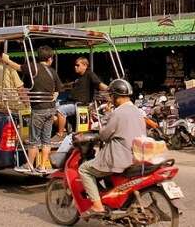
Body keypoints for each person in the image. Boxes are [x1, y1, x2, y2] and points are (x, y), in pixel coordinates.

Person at [79, 79, 146, 218]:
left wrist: (108, 114)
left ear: (116, 97)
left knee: (84, 169)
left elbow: (103, 135)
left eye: (111, 96)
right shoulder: (138, 112)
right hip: (136, 156)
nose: (110, 99)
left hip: (119, 158)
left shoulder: (118, 113)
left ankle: (97, 206)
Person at [7, 46, 62, 173]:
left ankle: (29, 164)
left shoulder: (34, 67)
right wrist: (51, 99)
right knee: (46, 139)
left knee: (34, 140)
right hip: (51, 109)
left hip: (38, 109)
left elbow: (18, 67)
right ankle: (43, 166)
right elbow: (58, 90)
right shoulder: (52, 71)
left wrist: (7, 60)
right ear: (49, 59)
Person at [56, 57, 109, 139]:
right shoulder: (78, 76)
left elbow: (99, 84)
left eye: (77, 65)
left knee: (61, 111)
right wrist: (61, 86)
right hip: (71, 102)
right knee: (54, 106)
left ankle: (60, 134)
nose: (75, 67)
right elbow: (71, 84)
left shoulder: (89, 74)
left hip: (81, 105)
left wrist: (111, 89)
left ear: (84, 65)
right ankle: (66, 127)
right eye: (75, 65)